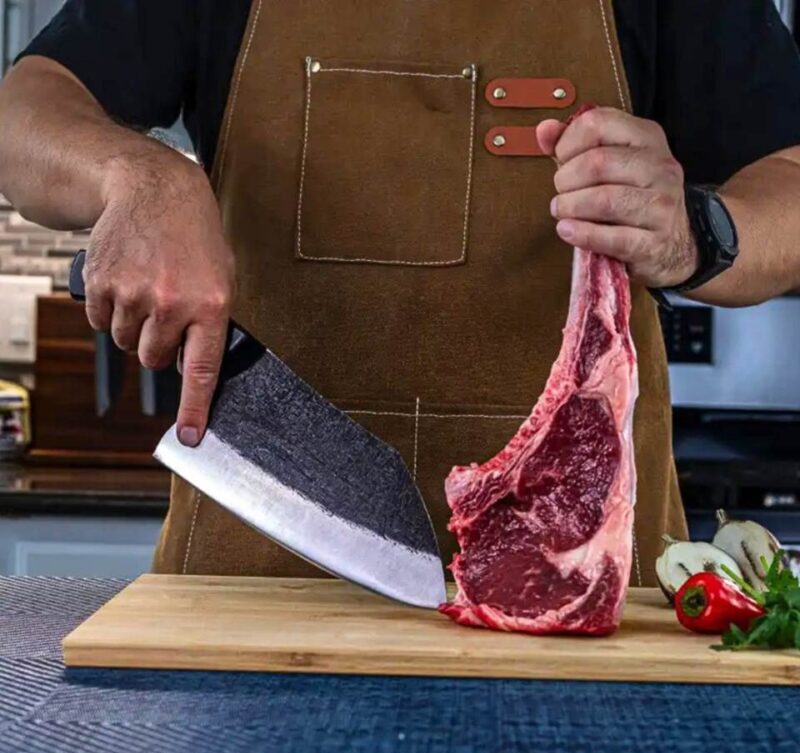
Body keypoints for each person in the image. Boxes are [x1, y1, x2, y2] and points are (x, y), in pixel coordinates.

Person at [0, 1, 798, 586]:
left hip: (583, 575)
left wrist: (696, 232)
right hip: (259, 574)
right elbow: (23, 113)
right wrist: (137, 177)